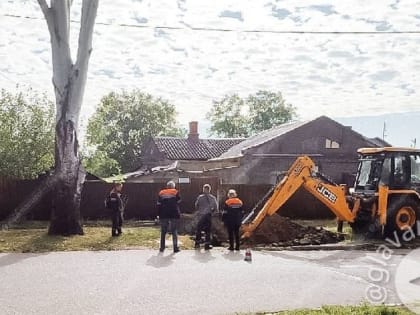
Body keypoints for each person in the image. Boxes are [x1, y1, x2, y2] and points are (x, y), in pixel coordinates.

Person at [157, 180, 181, 253]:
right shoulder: (175, 192)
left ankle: (162, 247)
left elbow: (158, 204)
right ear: (173, 186)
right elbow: (179, 201)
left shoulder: (161, 193)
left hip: (163, 214)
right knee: (174, 231)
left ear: (167, 186)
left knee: (163, 231)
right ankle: (175, 248)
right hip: (174, 214)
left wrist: (158, 214)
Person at [194, 184, 218, 250]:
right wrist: (212, 212)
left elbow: (196, 205)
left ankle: (197, 244)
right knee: (208, 230)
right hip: (208, 215)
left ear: (204, 190)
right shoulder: (213, 198)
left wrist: (199, 210)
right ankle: (207, 245)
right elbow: (216, 208)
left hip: (201, 215)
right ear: (209, 190)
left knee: (199, 229)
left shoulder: (200, 197)